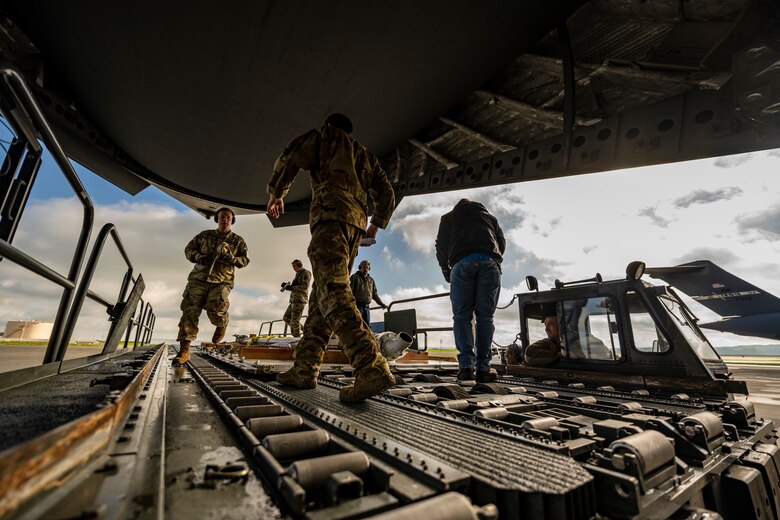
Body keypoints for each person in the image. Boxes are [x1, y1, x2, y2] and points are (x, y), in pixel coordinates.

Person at [267, 113, 397, 403]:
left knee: (334, 295)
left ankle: (371, 366)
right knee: (320, 300)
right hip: (354, 228)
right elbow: (386, 193)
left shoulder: (325, 137)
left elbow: (292, 156)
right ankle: (304, 369)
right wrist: (373, 227)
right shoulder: (366, 156)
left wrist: (277, 193)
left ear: (329, 126)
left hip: (330, 219)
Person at [435, 199, 505, 383]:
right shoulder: (490, 218)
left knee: (461, 316)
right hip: (490, 263)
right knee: (485, 317)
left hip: (461, 263)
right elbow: (501, 243)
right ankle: (484, 369)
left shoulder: (448, 218)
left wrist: (446, 270)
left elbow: (440, 246)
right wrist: (493, 259)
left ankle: (466, 368)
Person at [173, 207, 250, 365]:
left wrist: (231, 258)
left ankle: (222, 323)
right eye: (222, 217)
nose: (225, 220)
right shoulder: (204, 235)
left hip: (222, 281)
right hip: (198, 279)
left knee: (215, 308)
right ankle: (184, 350)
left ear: (232, 221)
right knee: (190, 312)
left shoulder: (238, 241)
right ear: (217, 219)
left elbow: (245, 261)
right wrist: (198, 257)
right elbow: (188, 249)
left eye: (228, 217)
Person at [349, 260, 388, 325]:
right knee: (357, 325)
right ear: (360, 267)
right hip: (357, 306)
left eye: (367, 268)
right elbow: (349, 292)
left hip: (366, 308)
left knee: (367, 327)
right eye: (364, 267)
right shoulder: (354, 277)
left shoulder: (371, 280)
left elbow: (374, 294)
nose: (366, 269)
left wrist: (381, 304)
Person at [282, 259, 311, 337]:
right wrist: (287, 286)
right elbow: (295, 286)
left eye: (294, 266)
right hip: (294, 300)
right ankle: (307, 332)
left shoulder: (305, 273)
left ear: (299, 265)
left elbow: (304, 286)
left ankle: (297, 339)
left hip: (300, 300)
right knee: (286, 318)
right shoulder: (298, 274)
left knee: (294, 321)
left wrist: (291, 288)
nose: (293, 268)